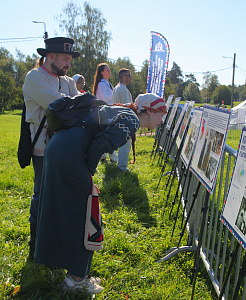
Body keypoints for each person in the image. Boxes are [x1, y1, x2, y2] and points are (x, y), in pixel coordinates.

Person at [34, 92, 167, 294]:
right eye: (161, 113)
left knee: (58, 205)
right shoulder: (131, 120)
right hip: (69, 154)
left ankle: (55, 262)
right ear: (148, 111)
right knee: (83, 214)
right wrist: (88, 173)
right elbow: (99, 145)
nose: (162, 119)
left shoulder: (122, 112)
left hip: (58, 149)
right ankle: (76, 280)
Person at [22, 37, 81, 257]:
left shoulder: (67, 81)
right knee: (42, 192)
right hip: (43, 146)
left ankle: (54, 240)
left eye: (70, 59)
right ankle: (36, 244)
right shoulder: (34, 78)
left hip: (66, 144)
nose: (68, 63)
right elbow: (60, 106)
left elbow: (78, 103)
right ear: (50, 56)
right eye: (65, 58)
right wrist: (82, 104)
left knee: (61, 191)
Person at [93, 63, 118, 163]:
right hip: (105, 112)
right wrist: (116, 94)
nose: (109, 71)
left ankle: (103, 156)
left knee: (104, 134)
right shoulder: (101, 84)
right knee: (109, 134)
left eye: (109, 69)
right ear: (101, 72)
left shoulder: (108, 84)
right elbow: (106, 99)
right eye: (106, 70)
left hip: (109, 111)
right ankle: (113, 157)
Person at [112, 68, 133, 171]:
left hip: (118, 117)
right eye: (129, 76)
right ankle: (122, 167)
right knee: (125, 144)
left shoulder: (117, 87)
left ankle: (121, 165)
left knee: (123, 143)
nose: (131, 78)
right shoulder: (123, 89)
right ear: (124, 77)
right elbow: (127, 106)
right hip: (124, 118)